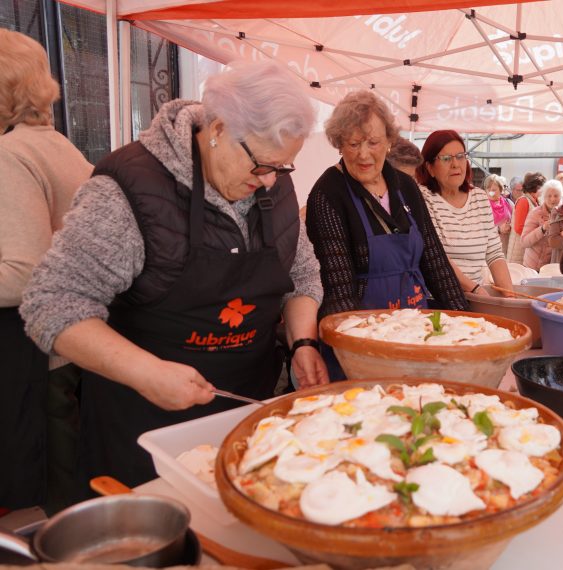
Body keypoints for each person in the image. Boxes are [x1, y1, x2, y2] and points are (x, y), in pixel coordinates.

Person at [21, 60, 328, 493]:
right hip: (144, 424)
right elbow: (51, 304)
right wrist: (147, 373)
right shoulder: (129, 189)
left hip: (247, 413)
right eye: (262, 166)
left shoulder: (271, 183)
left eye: (283, 168)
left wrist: (303, 343)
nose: (269, 182)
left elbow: (302, 274)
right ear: (218, 129)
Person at [307, 95, 467, 378]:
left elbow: (434, 261)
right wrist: (362, 351)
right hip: (359, 341)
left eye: (373, 142)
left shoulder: (405, 186)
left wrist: (465, 326)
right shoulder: (327, 194)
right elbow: (338, 288)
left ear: (389, 141)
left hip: (415, 332)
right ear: (339, 143)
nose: (363, 154)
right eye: (353, 144)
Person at [0, 29, 92, 511]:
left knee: (48, 499)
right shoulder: (56, 144)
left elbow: (24, 272)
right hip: (71, 345)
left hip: (38, 355)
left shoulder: (10, 155)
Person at [417, 130, 512, 295]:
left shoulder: (479, 198)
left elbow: (494, 253)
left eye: (460, 156)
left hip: (476, 298)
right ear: (430, 167)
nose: (455, 164)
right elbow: (435, 255)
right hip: (437, 299)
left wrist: (510, 297)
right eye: (446, 158)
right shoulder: (422, 198)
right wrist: (474, 289)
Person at [521, 179, 563, 271]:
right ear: (544, 197)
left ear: (561, 197)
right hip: (532, 267)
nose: (552, 199)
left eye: (556, 196)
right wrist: (542, 229)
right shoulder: (535, 213)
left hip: (552, 268)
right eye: (549, 196)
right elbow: (524, 242)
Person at [505, 172, 545, 265]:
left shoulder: (535, 201)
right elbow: (519, 228)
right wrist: (536, 234)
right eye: (542, 187)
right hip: (518, 251)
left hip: (527, 249)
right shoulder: (523, 201)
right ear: (535, 187)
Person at [484, 173, 513, 253]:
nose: (491, 192)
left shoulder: (508, 203)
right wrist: (499, 229)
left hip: (506, 247)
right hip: (489, 249)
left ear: (500, 190)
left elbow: (515, 220)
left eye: (494, 190)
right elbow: (480, 229)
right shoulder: (483, 206)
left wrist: (510, 226)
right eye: (488, 189)